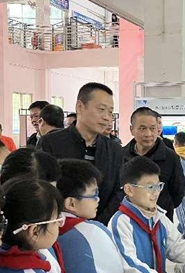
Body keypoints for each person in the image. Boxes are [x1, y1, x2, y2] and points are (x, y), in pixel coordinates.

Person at [38, 83, 123, 225]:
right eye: (101, 109)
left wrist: (97, 225)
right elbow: (43, 188)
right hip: (58, 227)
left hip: (100, 227)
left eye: (110, 112)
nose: (107, 118)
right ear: (80, 107)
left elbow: (117, 192)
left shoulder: (114, 149)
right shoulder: (50, 143)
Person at [122, 107, 185, 221]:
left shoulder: (170, 157)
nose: (148, 134)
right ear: (132, 129)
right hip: (127, 220)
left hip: (160, 220)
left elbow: (177, 192)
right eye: (142, 128)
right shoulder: (121, 155)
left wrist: (164, 206)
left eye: (153, 128)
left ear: (158, 129)